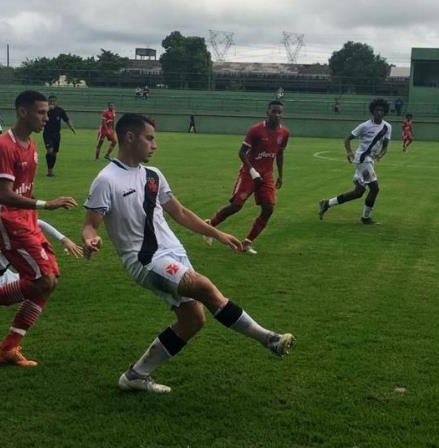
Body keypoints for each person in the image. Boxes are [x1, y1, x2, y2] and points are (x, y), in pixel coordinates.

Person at [82, 113, 294, 393]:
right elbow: (90, 225)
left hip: (173, 253)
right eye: (149, 138)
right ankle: (269, 339)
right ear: (130, 138)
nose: (154, 145)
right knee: (203, 286)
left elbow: (179, 212)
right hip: (144, 259)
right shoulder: (106, 180)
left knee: (193, 320)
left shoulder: (153, 175)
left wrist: (217, 233)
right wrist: (91, 239)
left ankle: (135, 375)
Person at [0, 90, 79, 366]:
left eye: (47, 113)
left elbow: (24, 189)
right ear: (23, 112)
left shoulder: (30, 144)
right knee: (42, 282)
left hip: (27, 220)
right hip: (8, 222)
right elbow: (5, 195)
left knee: (49, 283)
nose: (46, 118)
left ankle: (9, 348)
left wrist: (34, 214)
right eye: (41, 112)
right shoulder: (4, 146)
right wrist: (47, 204)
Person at [204, 101, 289, 255]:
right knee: (236, 206)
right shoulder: (256, 130)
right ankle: (210, 226)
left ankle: (247, 242)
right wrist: (252, 171)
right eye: (274, 111)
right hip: (248, 174)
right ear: (267, 113)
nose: (277, 115)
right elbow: (242, 152)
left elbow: (280, 153)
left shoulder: (284, 133)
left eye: (279, 112)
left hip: (267, 175)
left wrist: (281, 176)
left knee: (268, 208)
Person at [318, 98, 391, 225]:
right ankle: (366, 218)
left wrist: (380, 154)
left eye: (382, 110)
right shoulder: (365, 126)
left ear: (385, 112)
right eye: (377, 110)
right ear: (372, 111)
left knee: (358, 192)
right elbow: (347, 139)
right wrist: (349, 152)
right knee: (374, 188)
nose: (379, 112)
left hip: (369, 161)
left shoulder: (387, 127)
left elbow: (385, 146)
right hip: (362, 160)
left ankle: (327, 203)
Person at [0, 220, 82, 294]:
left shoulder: (2, 219)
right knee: (36, 286)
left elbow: (39, 223)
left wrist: (64, 239)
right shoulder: (9, 230)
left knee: (36, 280)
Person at [44, 95, 76, 177]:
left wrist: (71, 128)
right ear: (48, 102)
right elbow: (39, 116)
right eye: (50, 101)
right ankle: (49, 171)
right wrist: (47, 110)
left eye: (54, 101)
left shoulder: (60, 110)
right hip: (47, 133)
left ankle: (51, 170)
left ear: (56, 102)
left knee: (54, 153)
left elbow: (66, 119)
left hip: (56, 134)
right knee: (50, 150)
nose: (52, 102)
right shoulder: (45, 110)